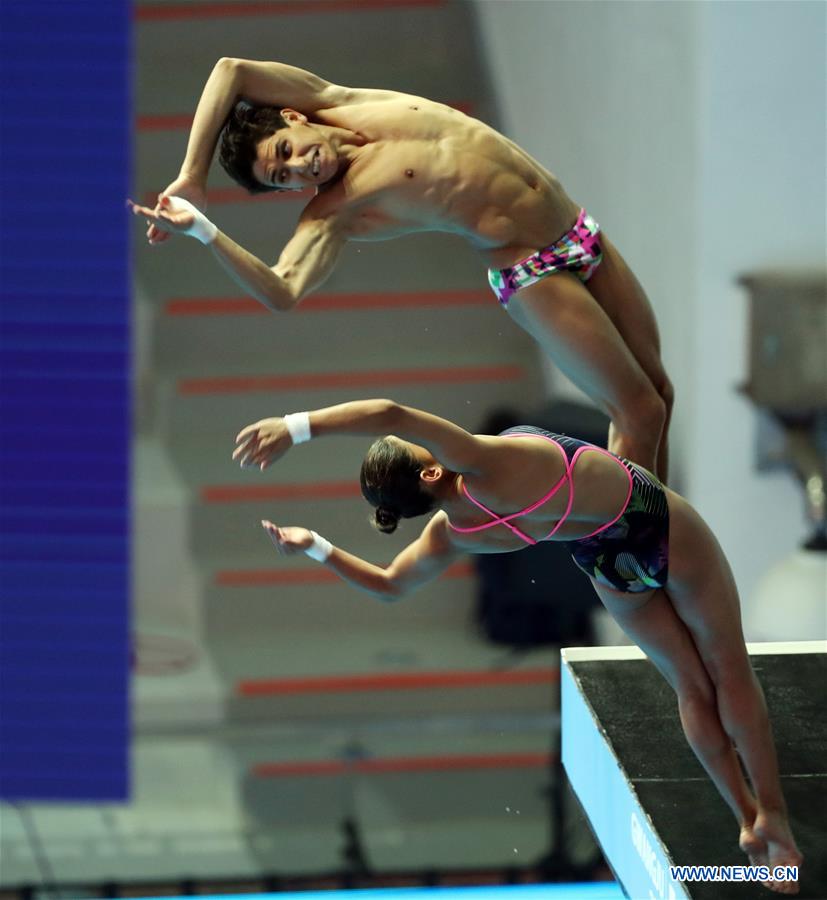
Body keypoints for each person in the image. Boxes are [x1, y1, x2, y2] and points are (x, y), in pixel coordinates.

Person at [232, 398, 801, 895]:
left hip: (607, 564)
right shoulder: (482, 459)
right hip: (658, 524)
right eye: (415, 444)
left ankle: (746, 818)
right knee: (729, 673)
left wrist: (316, 547)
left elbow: (387, 586)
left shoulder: (452, 534)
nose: (421, 431)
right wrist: (295, 426)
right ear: (429, 470)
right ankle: (773, 812)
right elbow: (388, 412)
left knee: (691, 687)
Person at [129, 57, 673, 480]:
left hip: (574, 226)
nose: (299, 168)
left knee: (658, 394)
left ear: (293, 116)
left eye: (287, 150)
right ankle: (635, 566)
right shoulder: (334, 212)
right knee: (637, 412)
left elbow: (232, 71)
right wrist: (204, 229)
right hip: (530, 269)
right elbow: (283, 290)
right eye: (283, 178)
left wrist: (192, 173)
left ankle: (661, 540)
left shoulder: (338, 101)